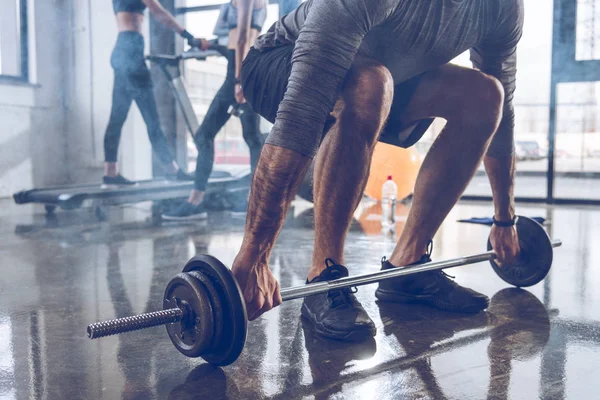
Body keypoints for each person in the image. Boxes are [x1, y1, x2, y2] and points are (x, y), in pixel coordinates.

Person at [231, 0, 525, 341]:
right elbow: (301, 111)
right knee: (370, 83)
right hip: (278, 60)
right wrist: (254, 254)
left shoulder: (501, 8)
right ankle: (325, 277)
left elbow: (503, 122)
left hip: (385, 75)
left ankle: (407, 269)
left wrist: (504, 219)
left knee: (486, 95)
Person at [162, 0, 267, 220]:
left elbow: (242, 38)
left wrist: (240, 81)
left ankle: (198, 200)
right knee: (250, 138)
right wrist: (210, 45)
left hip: (242, 71)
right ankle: (257, 202)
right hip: (239, 66)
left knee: (217, 135)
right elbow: (231, 39)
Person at [103, 0, 209, 186]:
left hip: (125, 51)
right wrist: (188, 36)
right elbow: (160, 14)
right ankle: (171, 171)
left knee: (117, 118)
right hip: (130, 53)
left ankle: (110, 173)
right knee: (151, 120)